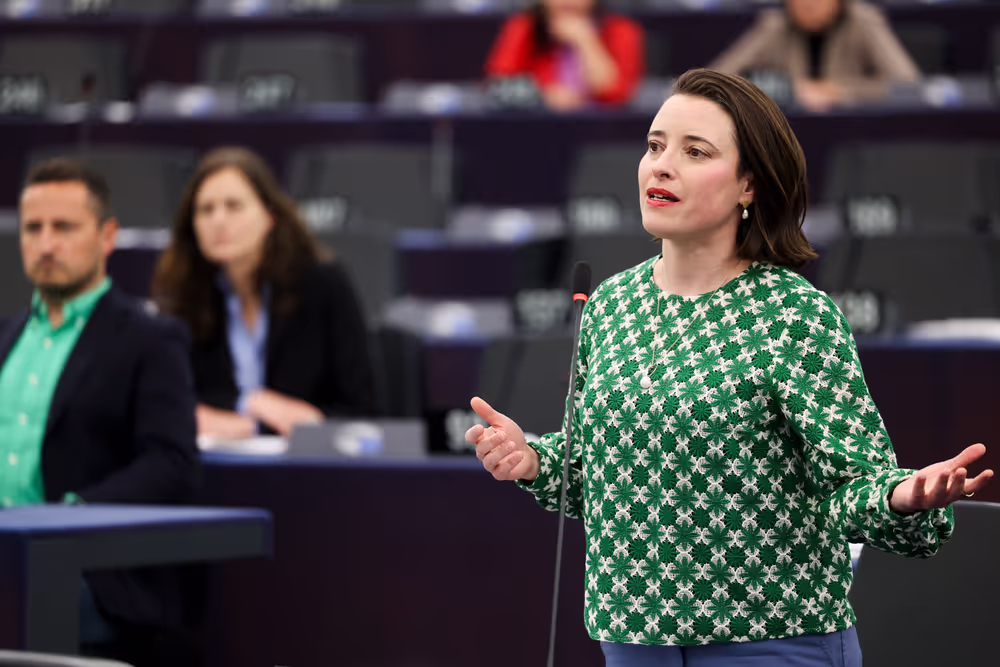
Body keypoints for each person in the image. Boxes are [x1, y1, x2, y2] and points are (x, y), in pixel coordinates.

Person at [466, 68, 992, 665]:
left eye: (695, 152)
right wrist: (533, 459)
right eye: (655, 145)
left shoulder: (795, 314)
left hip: (768, 640)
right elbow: (598, 475)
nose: (661, 166)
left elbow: (850, 487)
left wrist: (904, 495)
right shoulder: (611, 304)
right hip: (632, 640)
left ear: (749, 185)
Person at [0, 158, 201, 663]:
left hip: (90, 572)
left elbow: (170, 465)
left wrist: (66, 518)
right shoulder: (4, 339)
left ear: (107, 236)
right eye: (33, 228)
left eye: (63, 227)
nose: (46, 244)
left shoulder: (150, 340)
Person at [152, 147, 379, 439]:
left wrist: (301, 422)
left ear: (269, 216)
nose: (218, 220)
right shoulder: (183, 293)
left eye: (234, 206)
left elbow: (362, 411)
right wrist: (250, 407)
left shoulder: (323, 285)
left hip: (308, 468)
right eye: (205, 209)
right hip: (213, 468)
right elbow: (170, 402)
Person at [710, 0, 920, 112]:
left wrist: (838, 91)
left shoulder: (863, 21)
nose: (807, 3)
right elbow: (719, 77)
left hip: (853, 129)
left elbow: (908, 84)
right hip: (786, 133)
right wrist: (787, 89)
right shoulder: (775, 25)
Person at [485, 0, 644, 112]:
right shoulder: (523, 26)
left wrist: (585, 40)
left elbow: (617, 93)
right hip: (535, 130)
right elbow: (498, 85)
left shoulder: (622, 30)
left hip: (600, 136)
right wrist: (543, 97)